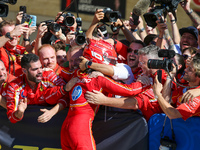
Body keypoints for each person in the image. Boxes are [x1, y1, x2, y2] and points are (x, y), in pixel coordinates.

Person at [60, 39, 151, 150]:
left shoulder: (76, 74)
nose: (112, 63)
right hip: (80, 127)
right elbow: (130, 91)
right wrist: (145, 84)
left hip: (65, 126)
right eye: (110, 60)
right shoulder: (98, 79)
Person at [85, 44, 173, 121]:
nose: (139, 65)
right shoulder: (142, 72)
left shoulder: (161, 78)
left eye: (142, 62)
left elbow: (135, 102)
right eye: (139, 62)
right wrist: (103, 74)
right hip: (133, 120)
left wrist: (104, 100)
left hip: (151, 127)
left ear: (153, 62)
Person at [4, 54, 73, 123]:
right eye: (35, 69)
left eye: (41, 67)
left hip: (55, 123)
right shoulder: (14, 86)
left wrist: (52, 112)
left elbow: (67, 94)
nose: (40, 71)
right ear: (24, 71)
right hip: (29, 126)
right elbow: (11, 117)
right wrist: (20, 112)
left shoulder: (48, 75)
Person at [153, 53, 200, 120]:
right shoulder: (184, 87)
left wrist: (157, 94)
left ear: (198, 75)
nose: (185, 70)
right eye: (187, 67)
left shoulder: (197, 95)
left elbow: (173, 115)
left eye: (190, 69)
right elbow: (166, 101)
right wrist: (170, 76)